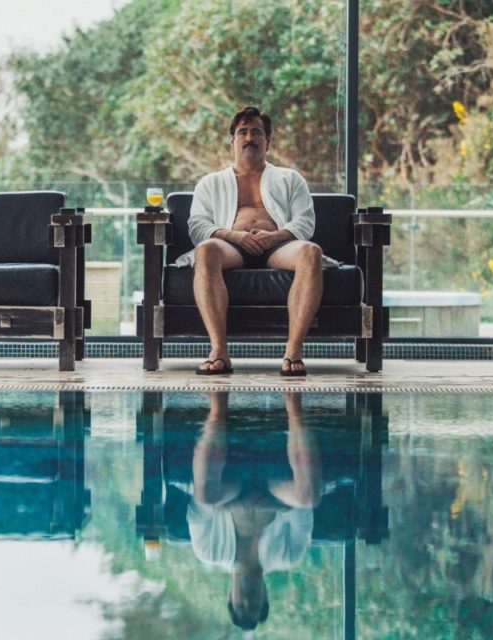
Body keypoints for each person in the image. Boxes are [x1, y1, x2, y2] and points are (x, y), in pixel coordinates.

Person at [178, 106, 324, 376]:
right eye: (242, 132)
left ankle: (293, 351)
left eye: (256, 132)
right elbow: (198, 226)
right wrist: (235, 235)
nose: (249, 138)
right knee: (206, 249)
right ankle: (219, 350)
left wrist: (274, 237)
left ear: (268, 140)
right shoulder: (210, 183)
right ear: (232, 140)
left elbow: (305, 222)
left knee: (311, 252)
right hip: (231, 247)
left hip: (279, 246)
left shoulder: (290, 178)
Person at [187, 391, 323, 630]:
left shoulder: (209, 552)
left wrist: (238, 502)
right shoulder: (288, 556)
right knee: (309, 497)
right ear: (265, 597)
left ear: (230, 597)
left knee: (205, 495)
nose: (248, 600)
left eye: (241, 605)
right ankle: (294, 406)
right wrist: (267, 502)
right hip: (276, 487)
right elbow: (302, 515)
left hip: (230, 486)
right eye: (255, 605)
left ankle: (217, 406)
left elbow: (198, 511)